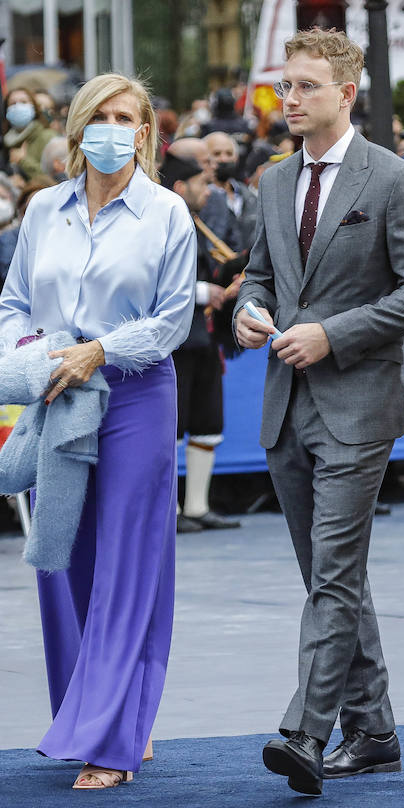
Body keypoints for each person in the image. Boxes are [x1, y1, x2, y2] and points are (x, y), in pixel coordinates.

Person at [233, 28, 404, 797]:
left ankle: (305, 729)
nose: (289, 99)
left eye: (306, 86)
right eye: (285, 86)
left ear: (347, 92)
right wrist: (249, 314)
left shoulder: (392, 180)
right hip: (287, 407)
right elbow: (259, 276)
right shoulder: (272, 182)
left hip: (360, 402)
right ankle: (375, 730)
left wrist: (334, 335)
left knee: (331, 573)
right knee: (330, 575)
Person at [0, 72, 196, 790]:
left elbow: (173, 321)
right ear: (77, 130)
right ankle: (106, 716)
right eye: (101, 116)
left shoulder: (168, 212)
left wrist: (100, 351)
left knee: (128, 564)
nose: (115, 129)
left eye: (128, 117)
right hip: (56, 390)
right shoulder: (43, 210)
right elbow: (13, 303)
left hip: (136, 392)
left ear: (146, 132)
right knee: (62, 558)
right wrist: (25, 355)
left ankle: (110, 740)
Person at [160, 151, 242, 533]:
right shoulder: (159, 223)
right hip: (174, 343)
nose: (208, 192)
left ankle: (196, 506)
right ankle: (169, 510)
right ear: (179, 187)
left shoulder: (193, 223)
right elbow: (154, 285)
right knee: (170, 428)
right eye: (200, 184)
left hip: (202, 341)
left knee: (208, 423)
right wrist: (204, 292)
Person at [204, 130, 259, 251]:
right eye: (216, 154)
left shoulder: (250, 196)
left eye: (229, 154)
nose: (224, 159)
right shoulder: (200, 199)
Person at [4, 87, 58, 179]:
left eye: (24, 102)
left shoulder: (48, 136)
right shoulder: (7, 141)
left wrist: (23, 160)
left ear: (34, 107)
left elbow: (54, 177)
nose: (18, 106)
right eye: (13, 103)